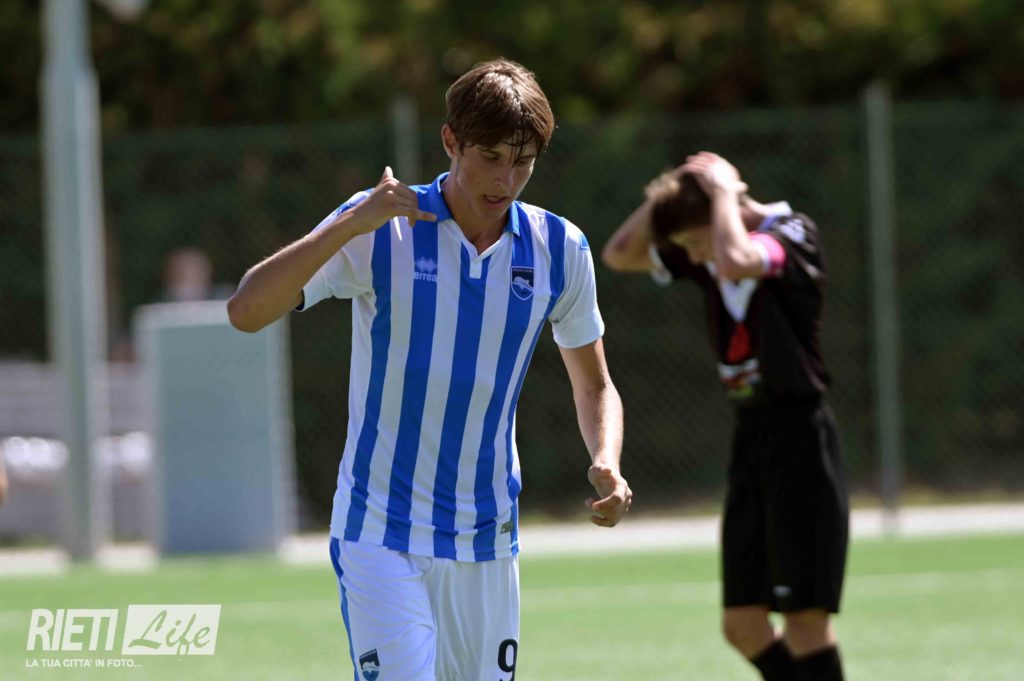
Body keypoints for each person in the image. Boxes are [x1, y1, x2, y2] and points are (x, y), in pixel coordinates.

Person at [228, 59, 632, 681]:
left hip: (486, 538)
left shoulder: (560, 249)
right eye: (490, 157)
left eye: (522, 162)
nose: (505, 179)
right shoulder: (381, 224)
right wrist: (349, 224)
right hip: (380, 529)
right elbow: (247, 311)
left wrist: (607, 456)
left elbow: (594, 383)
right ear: (450, 141)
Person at [602, 152, 848, 681]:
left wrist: (721, 193)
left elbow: (737, 259)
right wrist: (674, 186)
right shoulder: (711, 248)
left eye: (695, 242)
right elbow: (620, 253)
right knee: (742, 624)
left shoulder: (791, 233)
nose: (693, 256)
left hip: (800, 439)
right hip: (751, 437)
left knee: (805, 624)